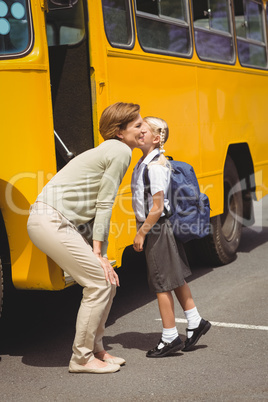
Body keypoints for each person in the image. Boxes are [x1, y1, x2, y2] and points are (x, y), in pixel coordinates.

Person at [27, 102, 146, 373]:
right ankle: (81, 358)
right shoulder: (119, 151)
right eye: (137, 125)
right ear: (119, 132)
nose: (144, 129)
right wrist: (98, 253)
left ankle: (97, 350)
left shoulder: (110, 148)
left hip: (53, 221)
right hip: (51, 221)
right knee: (98, 283)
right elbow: (105, 203)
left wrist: (100, 256)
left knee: (106, 281)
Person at [131, 116, 211, 358]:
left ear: (156, 139)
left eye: (143, 130)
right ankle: (195, 321)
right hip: (159, 226)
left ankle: (169, 337)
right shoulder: (146, 162)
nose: (139, 133)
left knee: (161, 283)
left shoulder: (155, 167)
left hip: (155, 227)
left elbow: (156, 207)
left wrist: (141, 233)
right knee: (174, 277)